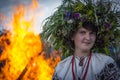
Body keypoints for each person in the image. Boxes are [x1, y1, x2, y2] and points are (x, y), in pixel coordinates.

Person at [52, 20, 120, 80]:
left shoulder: (106, 63)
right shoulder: (60, 68)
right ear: (72, 36)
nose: (88, 38)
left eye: (92, 33)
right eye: (82, 32)